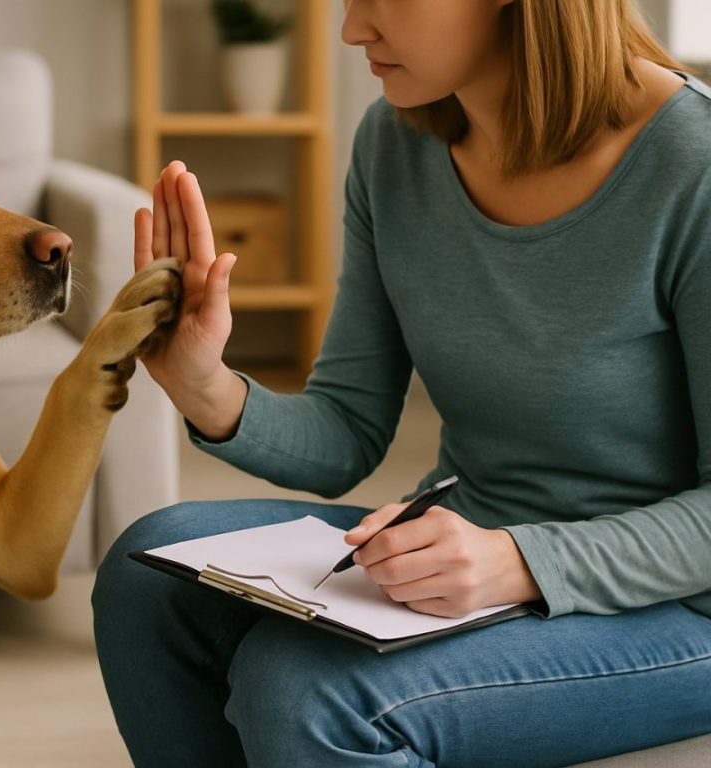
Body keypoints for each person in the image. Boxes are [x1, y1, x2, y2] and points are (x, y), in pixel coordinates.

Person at [92, 0, 711, 765]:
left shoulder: (695, 163)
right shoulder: (394, 144)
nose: (353, 29)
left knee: (303, 690)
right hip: (468, 543)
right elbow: (347, 432)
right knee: (145, 570)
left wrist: (519, 562)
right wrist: (204, 385)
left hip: (676, 605)